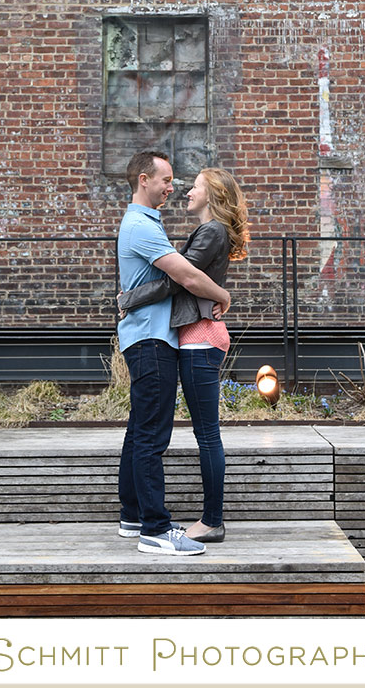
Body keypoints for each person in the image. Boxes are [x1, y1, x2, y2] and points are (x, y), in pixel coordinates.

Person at [118, 167, 250, 544]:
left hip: (200, 337)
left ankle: (211, 521)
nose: (184, 191)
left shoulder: (212, 231)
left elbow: (182, 278)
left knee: (206, 434)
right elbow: (184, 278)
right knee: (174, 431)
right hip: (191, 336)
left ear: (213, 195)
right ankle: (142, 516)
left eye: (194, 187)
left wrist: (131, 298)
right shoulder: (207, 231)